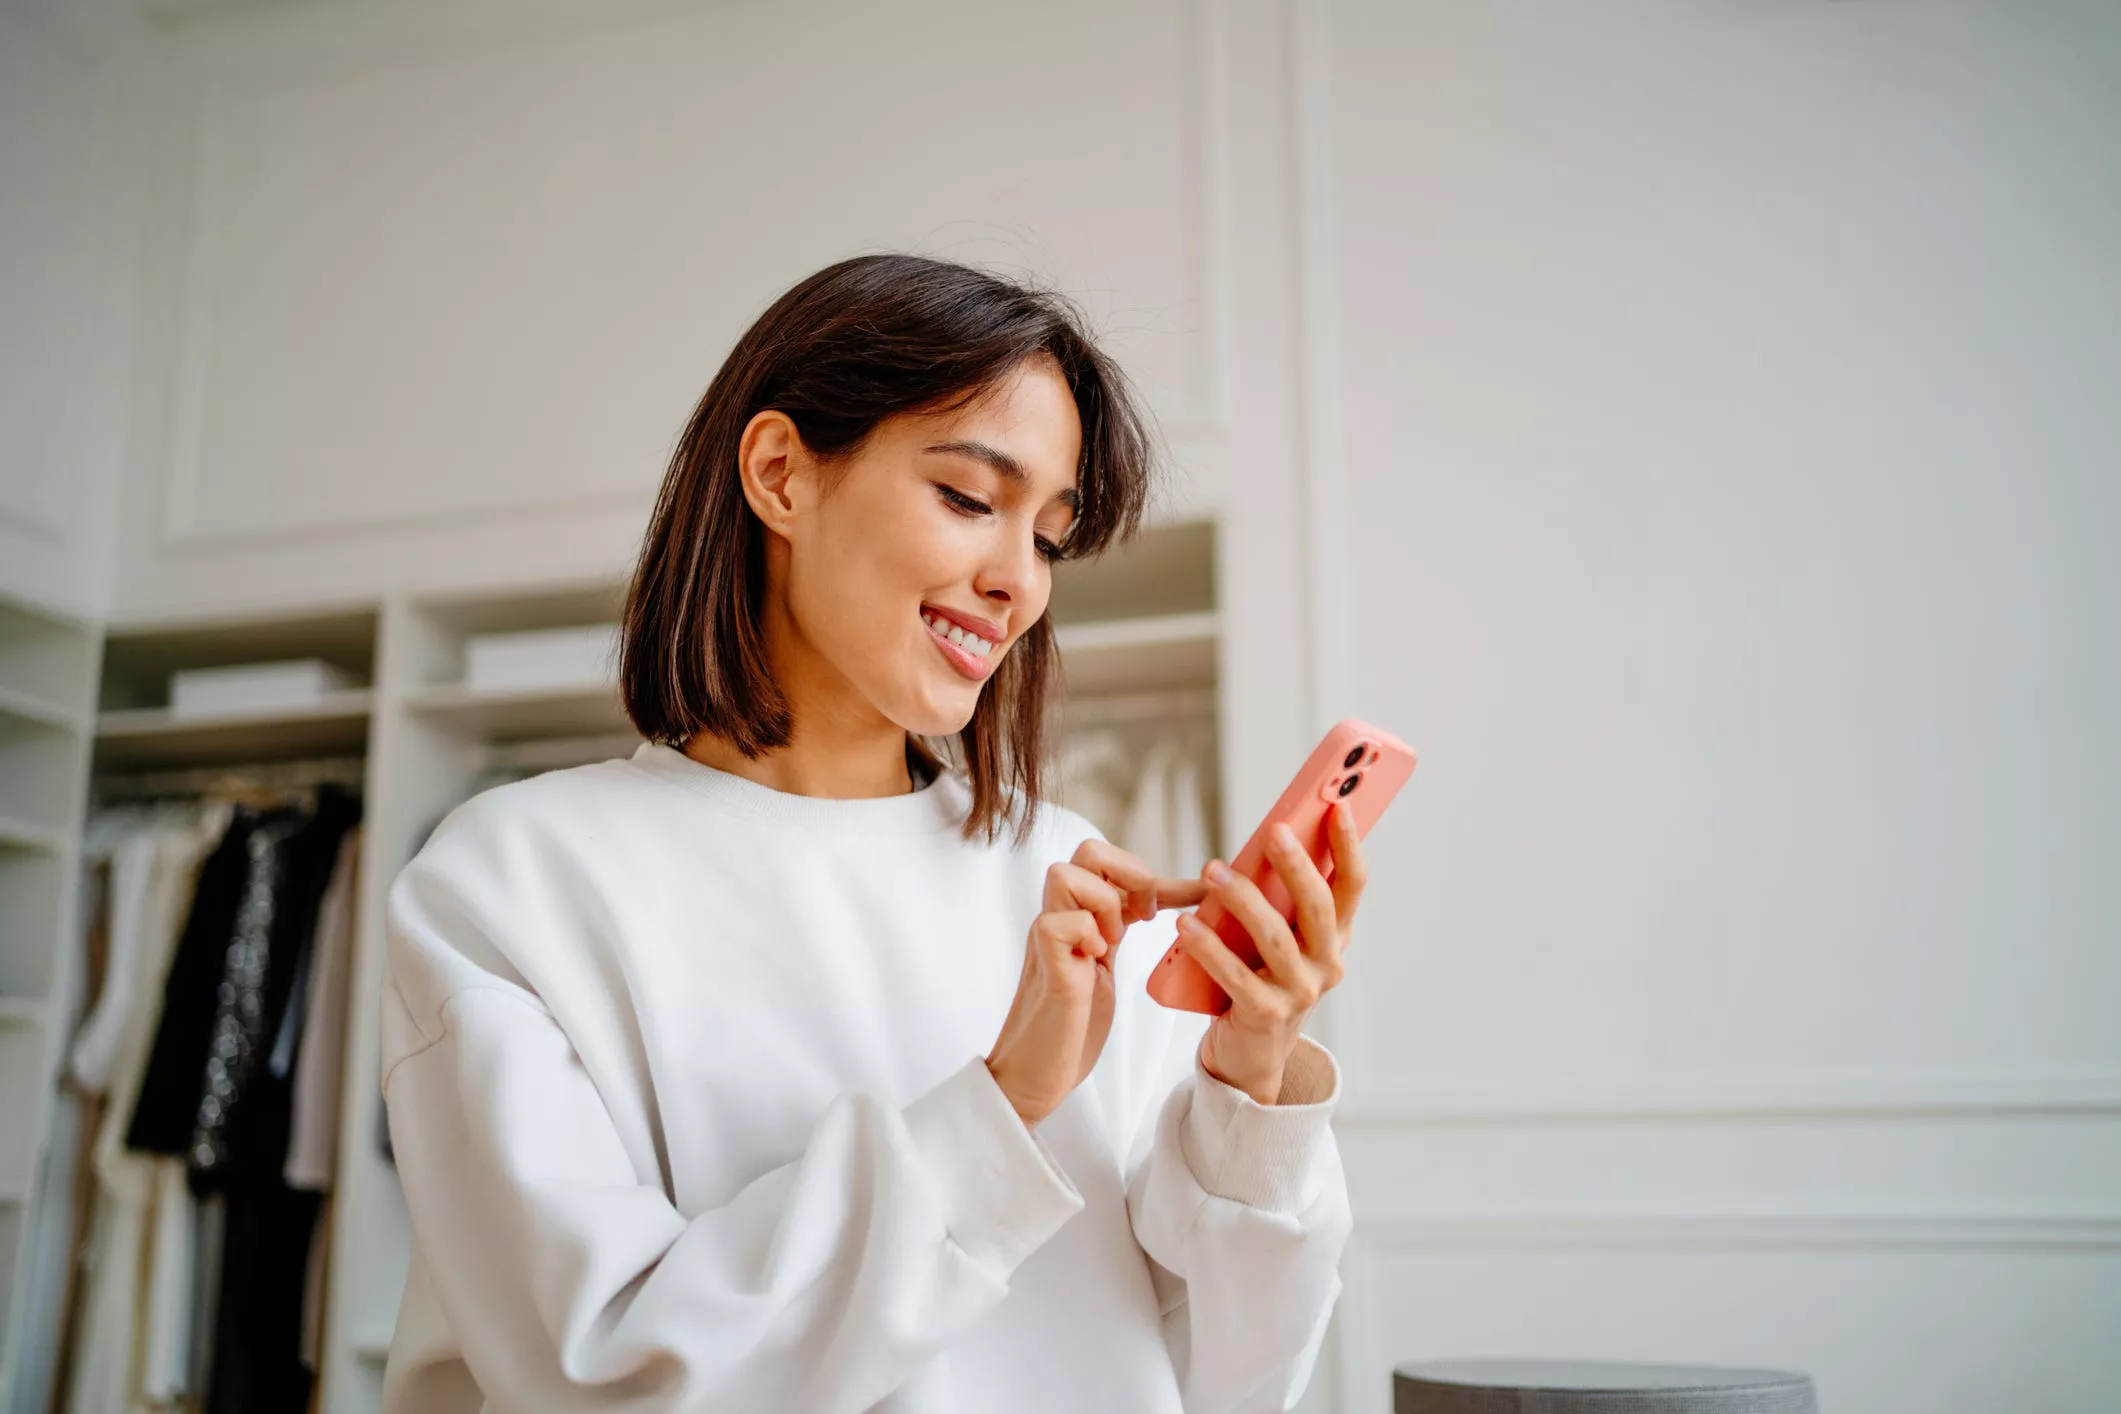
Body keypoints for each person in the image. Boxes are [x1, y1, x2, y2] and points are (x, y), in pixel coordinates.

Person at [377, 253, 1363, 1413]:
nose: (1017, 583)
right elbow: (616, 1372)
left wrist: (1248, 1078)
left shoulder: (1074, 881)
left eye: (1048, 536)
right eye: (967, 498)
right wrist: (1001, 1104)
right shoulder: (508, 886)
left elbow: (1241, 1378)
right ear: (782, 473)